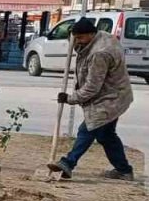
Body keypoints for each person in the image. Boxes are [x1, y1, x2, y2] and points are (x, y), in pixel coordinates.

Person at [47, 17, 135, 181]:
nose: (77, 41)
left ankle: (68, 163)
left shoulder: (100, 54)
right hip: (111, 95)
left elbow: (92, 87)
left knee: (87, 129)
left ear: (90, 34)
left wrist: (70, 99)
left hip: (110, 98)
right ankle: (124, 170)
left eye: (79, 38)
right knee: (105, 136)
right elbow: (80, 49)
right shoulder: (99, 36)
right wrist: (76, 43)